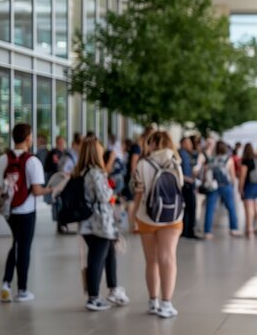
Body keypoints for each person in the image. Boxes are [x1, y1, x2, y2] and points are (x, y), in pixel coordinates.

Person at [129, 131, 184, 318]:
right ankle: (166, 304)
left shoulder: (142, 164)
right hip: (173, 217)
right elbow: (181, 187)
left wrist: (132, 217)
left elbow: (138, 193)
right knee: (168, 258)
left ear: (151, 145)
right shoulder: (176, 163)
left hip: (147, 216)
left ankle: (153, 301)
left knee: (151, 260)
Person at [0, 124, 52, 303]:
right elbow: (36, 190)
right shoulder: (32, 161)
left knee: (17, 244)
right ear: (28, 138)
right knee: (24, 248)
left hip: (9, 211)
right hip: (27, 211)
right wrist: (51, 189)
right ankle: (22, 290)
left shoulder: (3, 159)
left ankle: (6, 283)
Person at [75, 137, 130, 311]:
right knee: (97, 258)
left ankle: (113, 288)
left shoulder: (81, 172)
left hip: (89, 222)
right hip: (99, 223)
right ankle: (93, 297)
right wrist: (112, 190)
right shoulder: (95, 173)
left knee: (108, 252)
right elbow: (104, 195)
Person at [202, 141, 240, 238]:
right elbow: (232, 175)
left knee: (210, 208)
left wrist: (205, 182)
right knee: (231, 207)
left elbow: (206, 171)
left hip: (213, 185)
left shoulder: (211, 159)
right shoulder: (229, 159)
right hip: (225, 185)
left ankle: (207, 231)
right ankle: (234, 229)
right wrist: (234, 186)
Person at [239, 144, 257, 237]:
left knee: (249, 207)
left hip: (249, 185)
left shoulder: (246, 161)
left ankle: (249, 229)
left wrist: (240, 188)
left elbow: (243, 176)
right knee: (256, 206)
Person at [178, 137, 200, 239]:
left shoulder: (189, 154)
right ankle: (188, 231)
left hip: (189, 183)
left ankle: (187, 230)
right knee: (190, 208)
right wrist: (188, 178)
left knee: (188, 208)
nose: (190, 144)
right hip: (185, 184)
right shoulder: (181, 154)